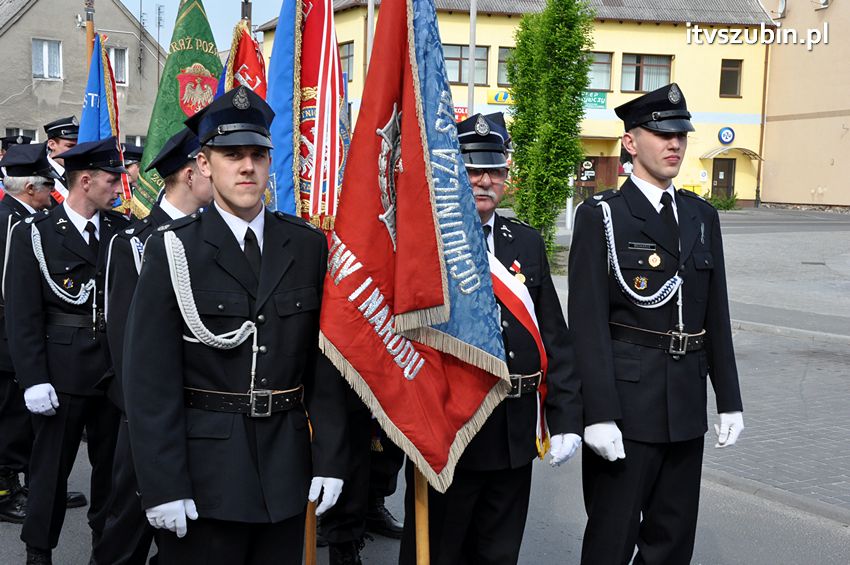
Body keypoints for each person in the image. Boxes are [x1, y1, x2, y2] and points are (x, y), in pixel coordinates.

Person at [123, 86, 347, 565]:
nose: (247, 166)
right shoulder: (174, 249)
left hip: (287, 468)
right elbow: (149, 381)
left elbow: (324, 367)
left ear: (270, 161)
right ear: (203, 165)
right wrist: (163, 483)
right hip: (205, 473)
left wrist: (331, 458)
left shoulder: (306, 246)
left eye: (257, 154)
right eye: (231, 154)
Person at [568, 83, 744, 565]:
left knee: (672, 540)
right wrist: (598, 412)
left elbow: (717, 315)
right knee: (611, 538)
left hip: (685, 404)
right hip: (628, 407)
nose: (675, 144)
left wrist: (728, 399)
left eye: (681, 134)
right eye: (661, 133)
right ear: (630, 142)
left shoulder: (701, 215)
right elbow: (586, 323)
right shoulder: (603, 216)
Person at [399, 112, 583, 565]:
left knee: (498, 554)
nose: (484, 180)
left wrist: (566, 417)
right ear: (453, 174)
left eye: (494, 170)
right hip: (450, 435)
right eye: (472, 168)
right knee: (441, 553)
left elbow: (553, 338)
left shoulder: (524, 242)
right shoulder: (426, 246)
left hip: (513, 433)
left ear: (506, 177)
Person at [5, 137, 130, 564]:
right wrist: (34, 379)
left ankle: (104, 547)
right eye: (112, 179)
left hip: (112, 369)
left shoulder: (119, 231)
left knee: (111, 471)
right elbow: (22, 315)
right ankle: (39, 551)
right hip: (60, 372)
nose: (119, 187)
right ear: (86, 180)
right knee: (49, 473)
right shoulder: (36, 234)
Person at [91, 128, 212, 565]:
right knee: (127, 530)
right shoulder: (136, 244)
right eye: (205, 162)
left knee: (192, 539)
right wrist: (148, 418)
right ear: (187, 173)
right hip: (147, 416)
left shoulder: (212, 239)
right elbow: (126, 344)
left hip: (207, 414)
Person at [0, 143, 57, 525]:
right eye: (47, 187)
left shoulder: (15, 214)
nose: (52, 193)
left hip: (9, 335)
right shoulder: (12, 221)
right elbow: (9, 287)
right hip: (5, 336)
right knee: (8, 417)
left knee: (17, 416)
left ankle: (25, 485)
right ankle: (5, 491)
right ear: (31, 189)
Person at [43, 116, 79, 206]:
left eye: (78, 146)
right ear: (52, 144)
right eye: (70, 146)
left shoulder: (80, 169)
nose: (76, 151)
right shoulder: (40, 172)